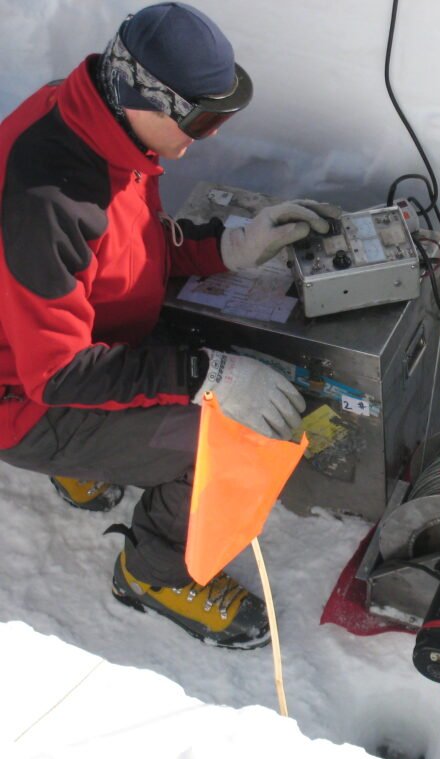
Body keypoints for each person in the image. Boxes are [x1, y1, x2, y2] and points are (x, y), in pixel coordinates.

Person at [0, 3, 340, 648]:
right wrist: (208, 377)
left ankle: (87, 459)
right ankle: (154, 574)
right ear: (139, 94)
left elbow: (122, 249)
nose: (205, 138)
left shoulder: (91, 123)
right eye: (198, 119)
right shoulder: (51, 198)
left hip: (57, 345)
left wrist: (228, 247)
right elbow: (59, 371)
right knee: (228, 437)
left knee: (194, 374)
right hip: (24, 395)